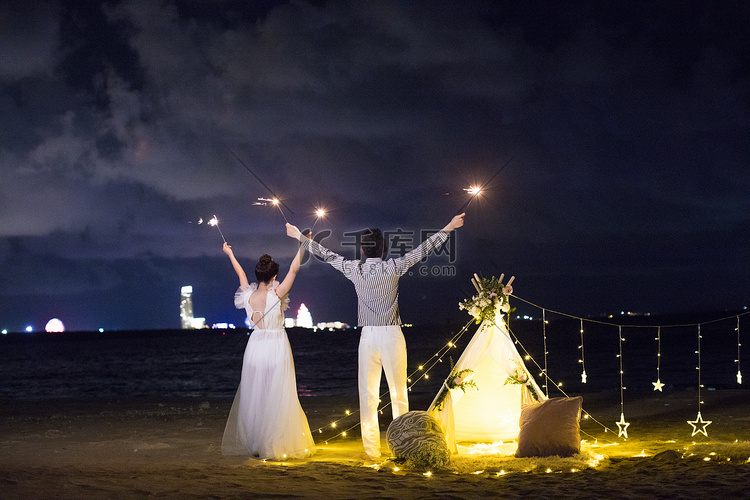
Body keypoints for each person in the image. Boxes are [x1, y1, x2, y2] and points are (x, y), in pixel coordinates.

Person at [286, 213, 465, 460]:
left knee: (368, 394)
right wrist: (449, 227)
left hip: (368, 337)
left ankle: (372, 450)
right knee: (398, 393)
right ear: (384, 248)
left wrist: (299, 236)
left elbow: (325, 254)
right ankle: (403, 446)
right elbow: (424, 249)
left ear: (361, 249)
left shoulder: (353, 268)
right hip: (392, 335)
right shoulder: (394, 266)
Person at [220, 238, 315, 460]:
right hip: (276, 344)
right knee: (279, 395)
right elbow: (294, 269)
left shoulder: (247, 295)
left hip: (255, 347)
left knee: (257, 396)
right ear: (273, 277)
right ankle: (274, 443)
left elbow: (241, 275)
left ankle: (256, 442)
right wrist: (303, 244)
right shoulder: (277, 292)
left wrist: (229, 254)